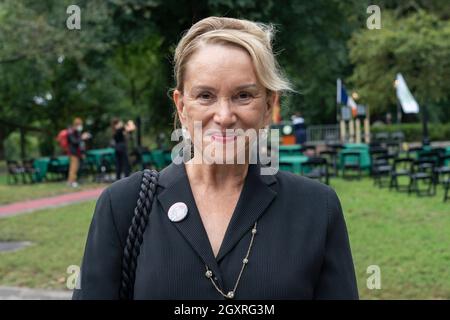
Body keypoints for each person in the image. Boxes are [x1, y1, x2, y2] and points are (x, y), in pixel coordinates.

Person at [73, 17, 358, 300]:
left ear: (269, 106)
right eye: (206, 96)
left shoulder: (317, 208)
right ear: (182, 106)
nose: (224, 116)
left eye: (243, 95)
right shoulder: (123, 205)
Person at [67, 117, 90, 188]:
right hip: (73, 153)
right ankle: (71, 182)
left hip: (78, 153)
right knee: (73, 167)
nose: (80, 126)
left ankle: (72, 181)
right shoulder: (71, 132)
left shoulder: (78, 132)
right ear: (76, 124)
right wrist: (82, 138)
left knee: (76, 167)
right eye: (79, 124)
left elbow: (80, 143)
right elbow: (74, 142)